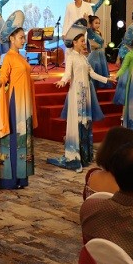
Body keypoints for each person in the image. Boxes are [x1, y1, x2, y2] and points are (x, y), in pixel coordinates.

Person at [48, 31, 115, 172]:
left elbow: (91, 73)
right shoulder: (71, 56)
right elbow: (67, 73)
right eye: (82, 41)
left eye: (84, 41)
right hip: (76, 93)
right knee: (77, 122)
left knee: (85, 123)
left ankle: (85, 156)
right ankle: (74, 156)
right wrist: (62, 81)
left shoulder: (84, 58)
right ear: (75, 42)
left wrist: (106, 79)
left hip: (86, 94)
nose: (84, 44)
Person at [0, 11, 38, 190]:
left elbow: (24, 76)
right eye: (21, 37)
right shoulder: (8, 57)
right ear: (12, 39)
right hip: (16, 103)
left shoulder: (21, 57)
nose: (24, 40)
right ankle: (10, 179)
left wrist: (36, 79)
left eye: (24, 37)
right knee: (16, 139)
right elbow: (3, 78)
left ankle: (21, 178)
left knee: (24, 138)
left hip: (25, 102)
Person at [85, 15, 110, 86]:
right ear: (90, 24)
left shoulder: (97, 32)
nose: (98, 25)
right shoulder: (90, 32)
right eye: (96, 23)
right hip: (94, 54)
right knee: (95, 69)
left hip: (100, 54)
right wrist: (87, 20)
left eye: (99, 23)